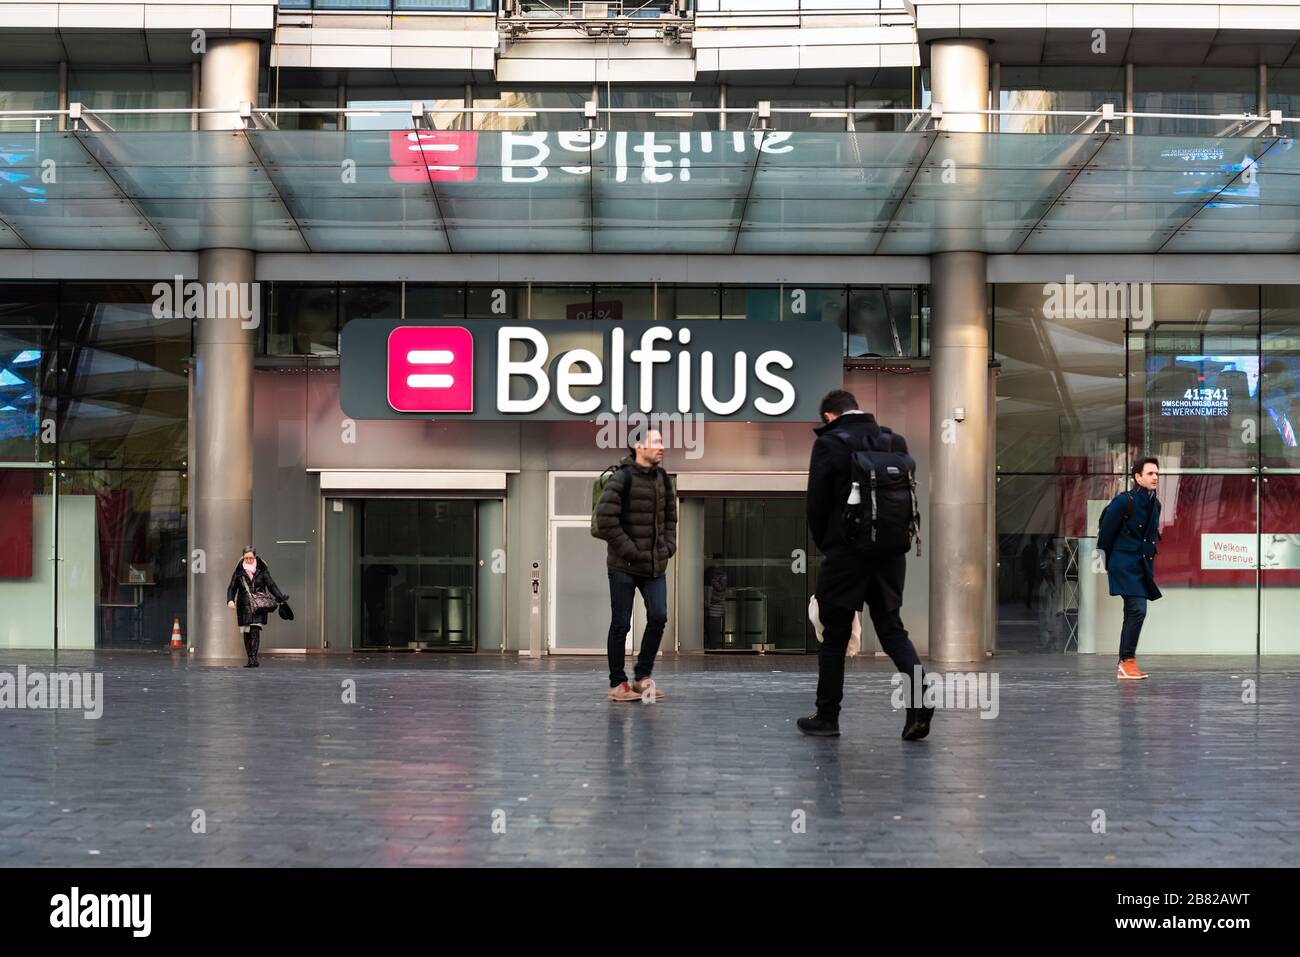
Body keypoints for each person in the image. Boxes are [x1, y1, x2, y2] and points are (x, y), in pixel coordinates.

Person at [797, 389, 932, 740]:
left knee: (835, 635)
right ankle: (920, 698)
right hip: (889, 552)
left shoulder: (830, 444)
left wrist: (829, 545)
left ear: (829, 417)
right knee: (891, 628)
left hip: (846, 554)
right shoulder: (893, 440)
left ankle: (827, 716)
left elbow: (817, 503)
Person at [595, 429, 676, 702]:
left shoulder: (663, 479)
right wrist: (631, 551)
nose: (661, 447)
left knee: (659, 616)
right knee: (621, 624)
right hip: (623, 565)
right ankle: (618, 684)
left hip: (654, 565)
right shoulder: (622, 478)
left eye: (662, 442)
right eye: (656, 443)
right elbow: (606, 520)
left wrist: (668, 548)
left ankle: (642, 677)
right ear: (639, 447)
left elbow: (670, 520)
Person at [1097, 457, 1162, 680]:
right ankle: (1127, 661)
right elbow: (1105, 533)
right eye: (1150, 473)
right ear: (1138, 477)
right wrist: (1111, 560)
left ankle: (1126, 663)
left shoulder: (1156, 504)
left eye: (1157, 474)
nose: (1155, 477)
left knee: (1133, 612)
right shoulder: (1124, 501)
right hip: (1124, 564)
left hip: (1142, 565)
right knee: (1138, 610)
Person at [226, 546, 287, 668]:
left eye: (251, 558)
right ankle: (250, 658)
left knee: (255, 630)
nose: (248, 560)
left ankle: (253, 658)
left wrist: (281, 598)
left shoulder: (262, 570)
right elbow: (232, 587)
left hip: (259, 605)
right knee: (246, 632)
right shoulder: (239, 571)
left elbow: (271, 585)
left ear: (255, 556)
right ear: (243, 557)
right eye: (246, 558)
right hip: (244, 605)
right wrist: (230, 600)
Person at [704, 565, 727, 648]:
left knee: (710, 635)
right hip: (715, 611)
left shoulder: (718, 578)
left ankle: (711, 649)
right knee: (712, 636)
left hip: (711, 611)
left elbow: (720, 592)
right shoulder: (720, 578)